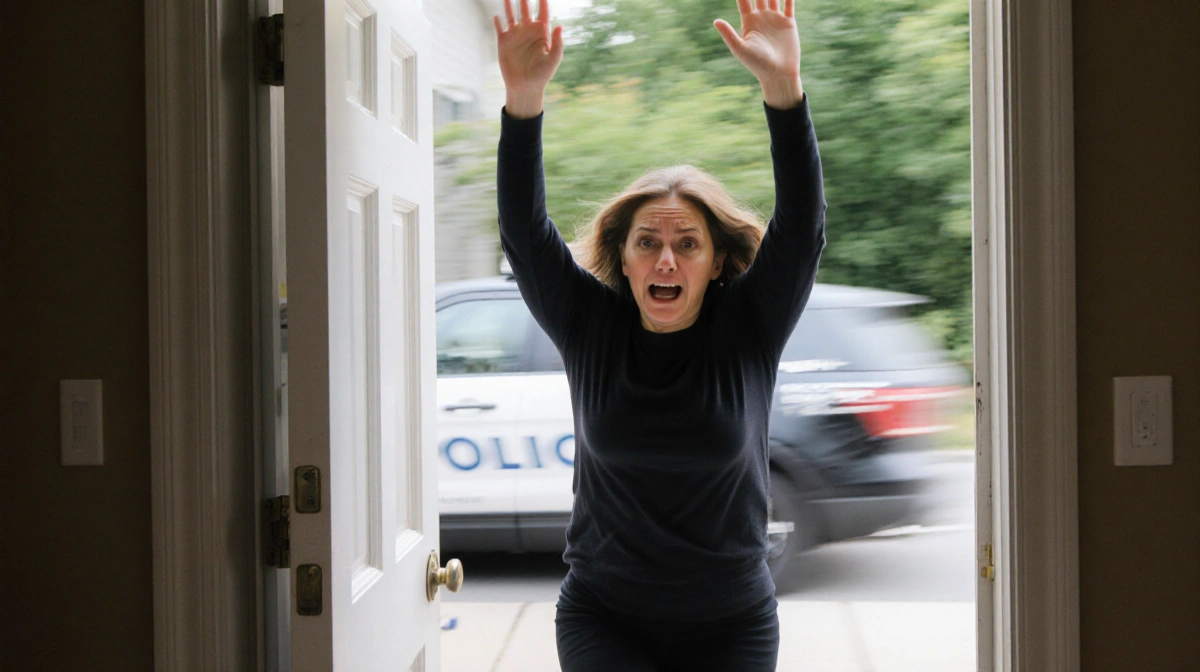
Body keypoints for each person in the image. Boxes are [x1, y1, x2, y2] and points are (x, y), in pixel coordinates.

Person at [493, 0, 825, 669]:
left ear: (719, 261)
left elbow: (801, 231)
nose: (666, 259)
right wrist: (523, 101)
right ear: (623, 257)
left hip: (732, 623)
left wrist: (784, 92)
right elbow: (527, 240)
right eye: (647, 242)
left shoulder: (749, 329)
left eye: (686, 243)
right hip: (605, 617)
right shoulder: (592, 328)